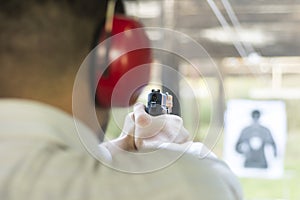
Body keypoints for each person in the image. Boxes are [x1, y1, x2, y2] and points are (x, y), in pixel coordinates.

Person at [0, 0, 243, 199]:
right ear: (115, 65)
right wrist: (169, 148)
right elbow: (206, 183)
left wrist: (114, 151)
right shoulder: (186, 185)